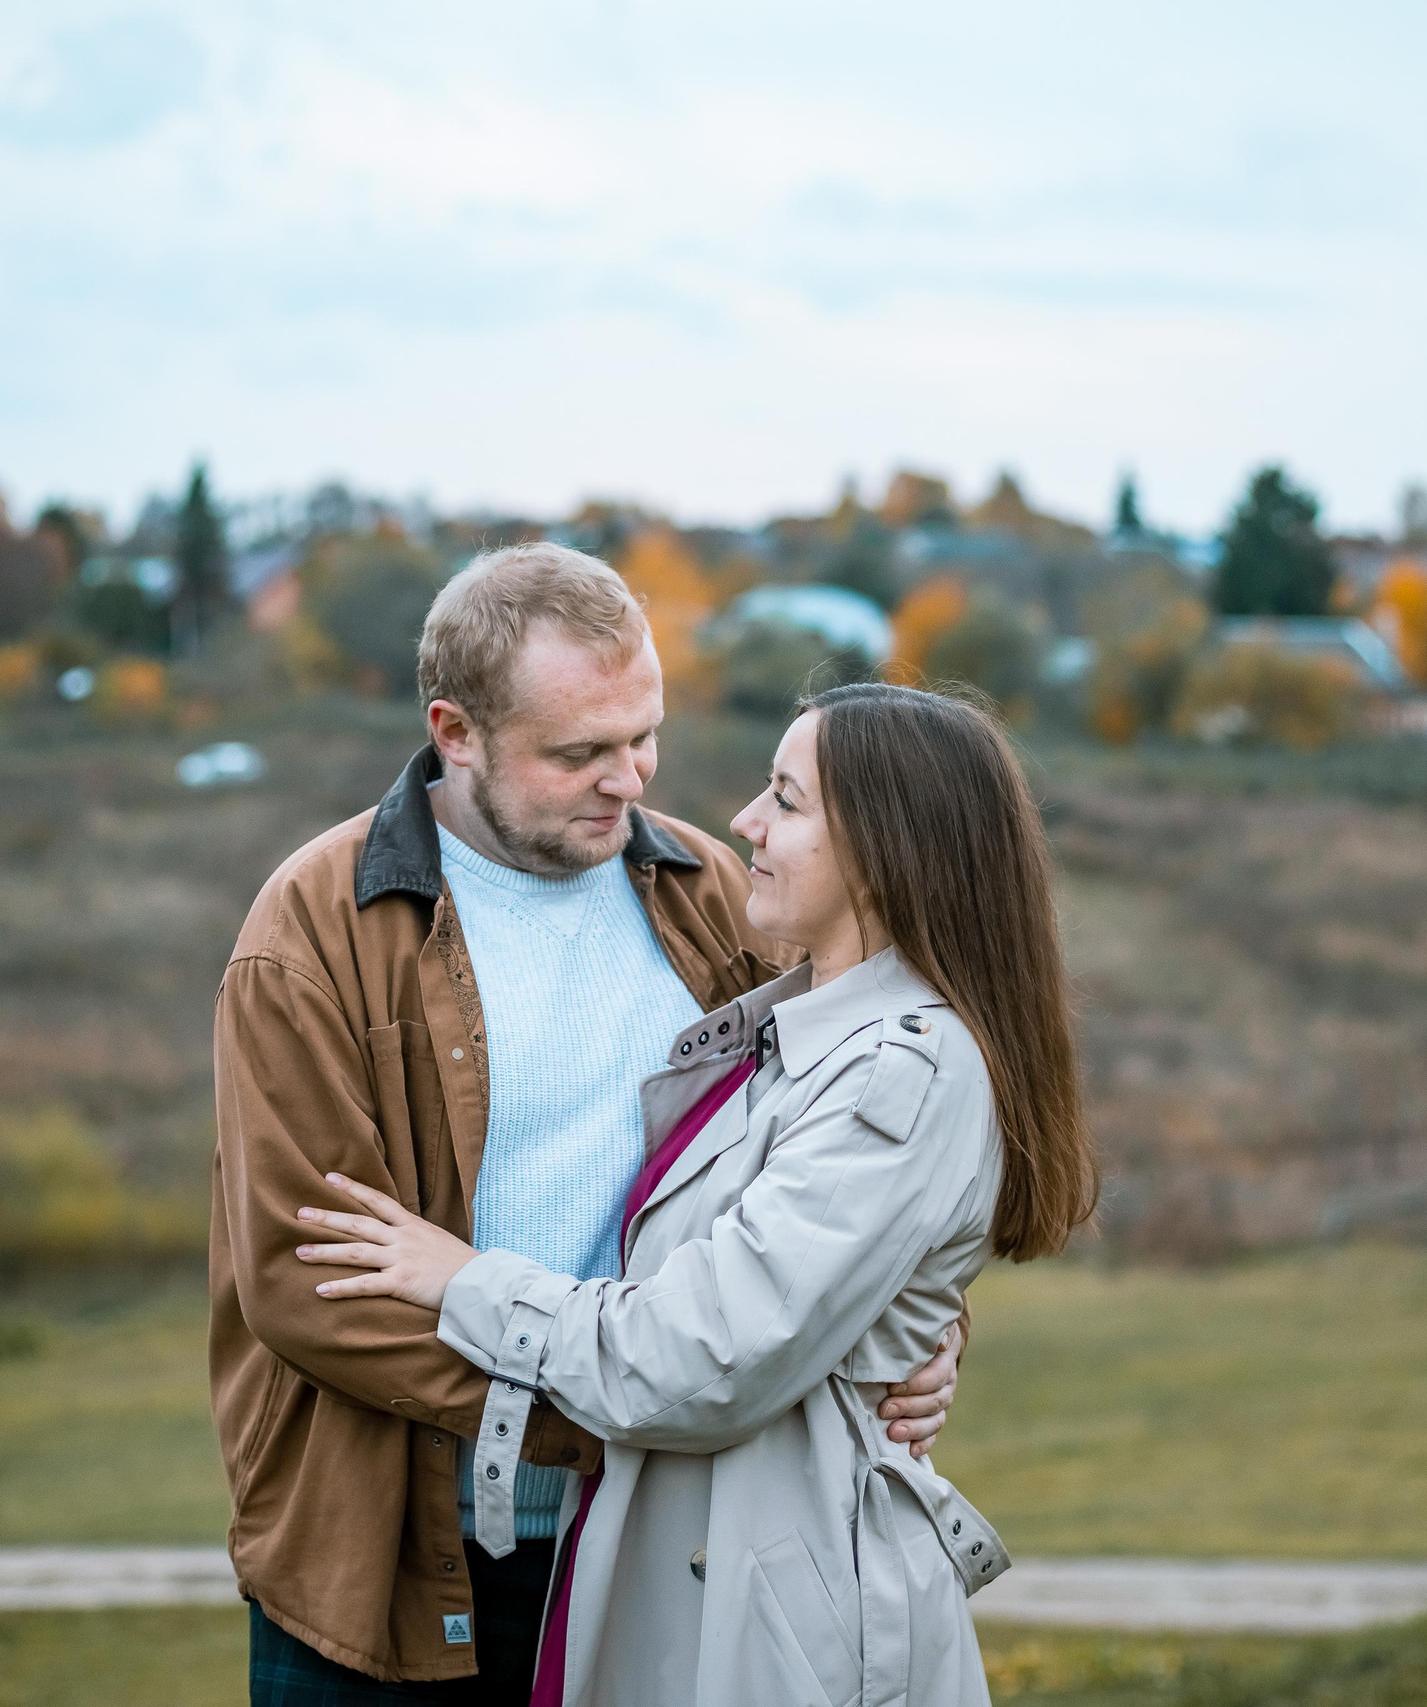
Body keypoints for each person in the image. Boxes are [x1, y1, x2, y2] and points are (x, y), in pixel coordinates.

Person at [208, 544, 964, 1705]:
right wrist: (622, 1414)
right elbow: (309, 1283)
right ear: (455, 733)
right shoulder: (312, 930)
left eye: (642, 737)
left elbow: (854, 1164)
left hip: (660, 1553)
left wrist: (913, 1333)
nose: (630, 779)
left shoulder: (723, 900)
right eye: (580, 754)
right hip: (386, 1576)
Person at [294, 681, 1098, 1707]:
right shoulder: (796, 1038)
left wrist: (460, 1281)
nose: (743, 821)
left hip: (775, 1626)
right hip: (710, 1579)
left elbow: (693, 1358)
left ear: (889, 847)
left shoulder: (900, 1070)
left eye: (787, 800)